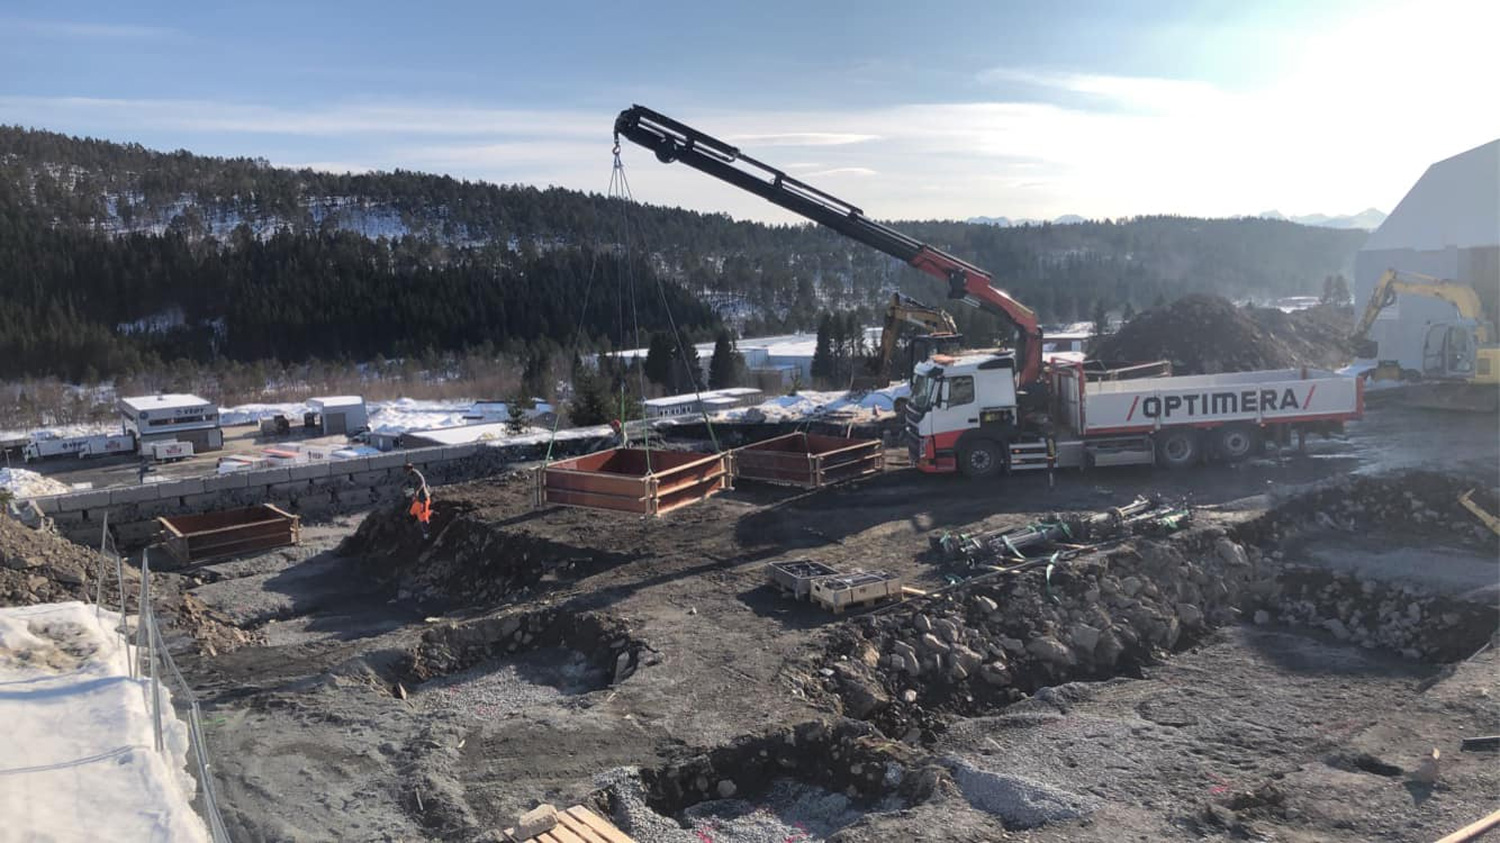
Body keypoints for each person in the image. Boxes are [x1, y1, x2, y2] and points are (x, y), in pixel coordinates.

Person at [404, 463, 432, 539]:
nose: (406, 473)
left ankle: (427, 533)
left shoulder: (417, 474)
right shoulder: (412, 475)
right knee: (414, 512)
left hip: (424, 498)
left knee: (423, 516)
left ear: (410, 469)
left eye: (407, 471)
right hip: (419, 499)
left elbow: (422, 483)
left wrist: (418, 491)